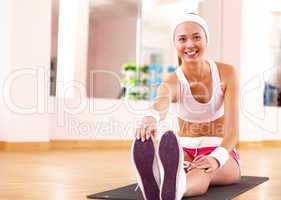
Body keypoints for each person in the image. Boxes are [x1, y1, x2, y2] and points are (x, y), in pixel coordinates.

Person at [132, 12, 240, 200]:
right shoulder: (172, 81)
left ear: (207, 40)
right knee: (189, 171)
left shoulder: (227, 73)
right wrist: (151, 117)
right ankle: (169, 181)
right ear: (175, 44)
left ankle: (170, 185)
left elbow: (232, 132)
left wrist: (216, 159)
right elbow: (161, 103)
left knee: (203, 171)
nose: (190, 45)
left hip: (219, 148)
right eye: (182, 39)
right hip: (183, 151)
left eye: (196, 37)